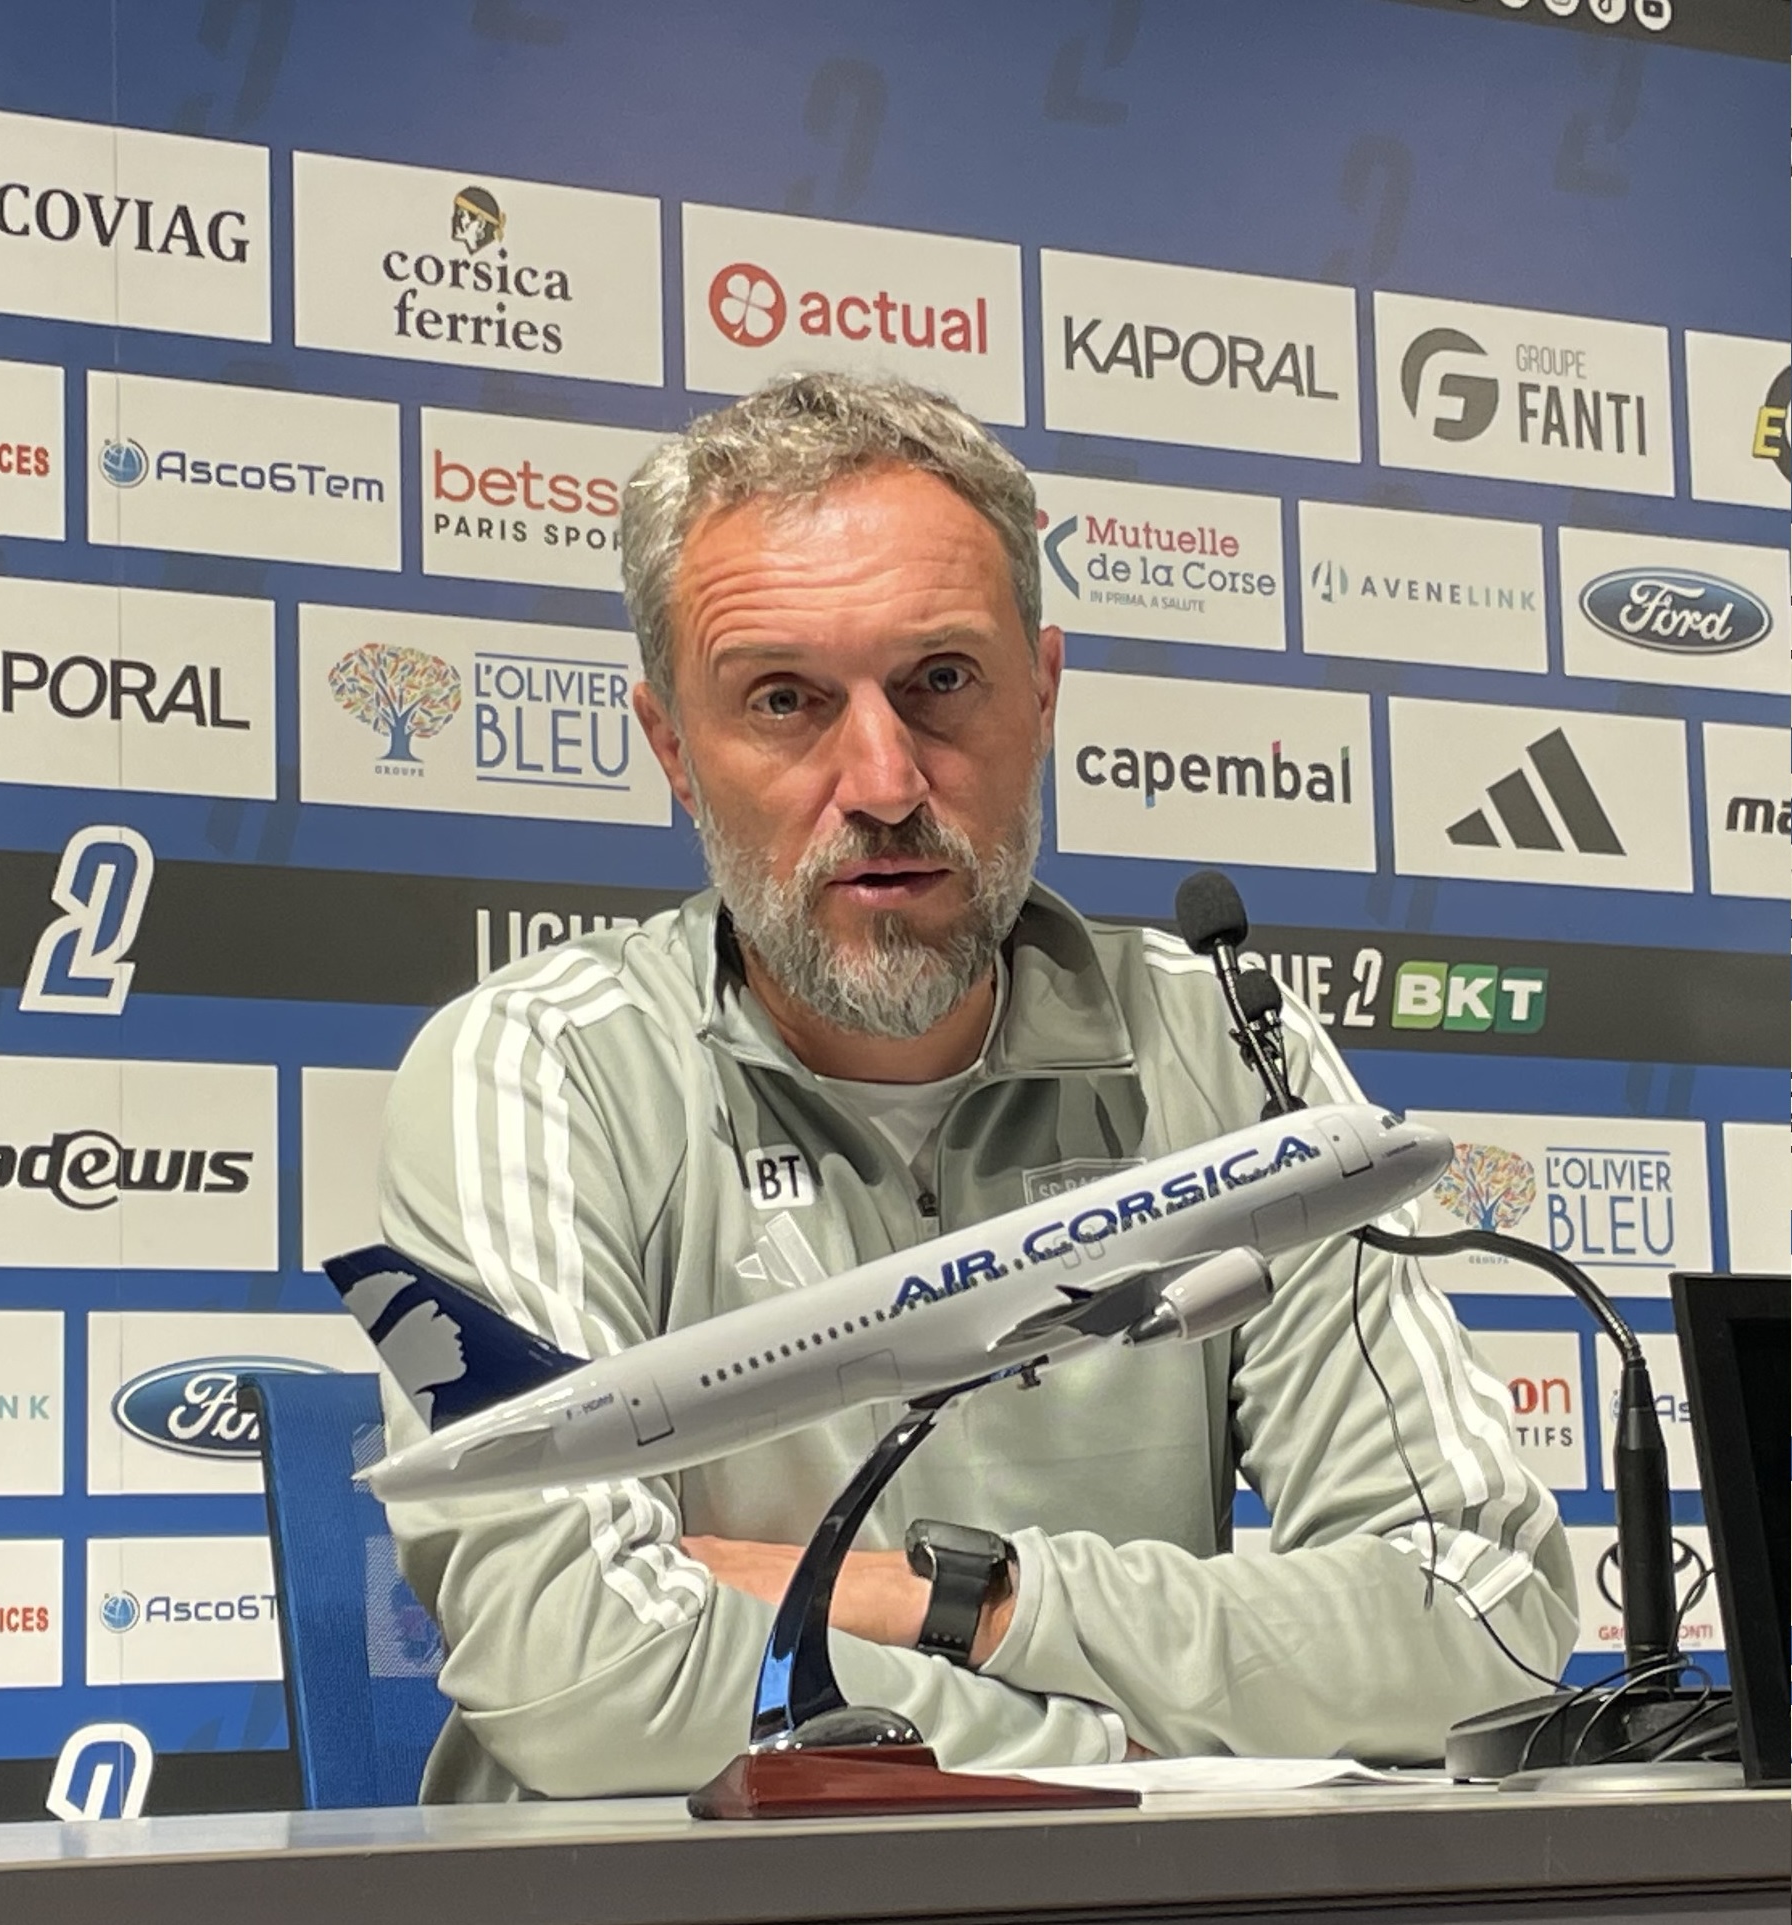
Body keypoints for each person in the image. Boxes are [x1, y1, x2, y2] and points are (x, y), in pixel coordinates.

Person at [369, 370, 1572, 1797]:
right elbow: (584, 1671)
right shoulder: (539, 1065)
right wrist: (1101, 1755)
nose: (883, 780)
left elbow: (1484, 1617)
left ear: (1042, 694)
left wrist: (968, 1601)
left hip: (1126, 1895)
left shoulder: (1231, 1050)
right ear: (674, 750)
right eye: (784, 700)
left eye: (940, 682)